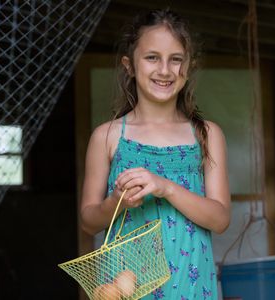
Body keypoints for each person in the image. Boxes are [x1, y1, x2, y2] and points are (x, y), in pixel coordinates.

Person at [80, 9, 230, 299]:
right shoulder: (108, 136)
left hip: (191, 283)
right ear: (130, 65)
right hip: (127, 285)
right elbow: (88, 221)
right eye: (152, 58)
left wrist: (166, 187)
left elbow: (221, 219)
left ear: (189, 66)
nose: (165, 69)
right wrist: (116, 202)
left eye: (176, 59)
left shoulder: (206, 135)